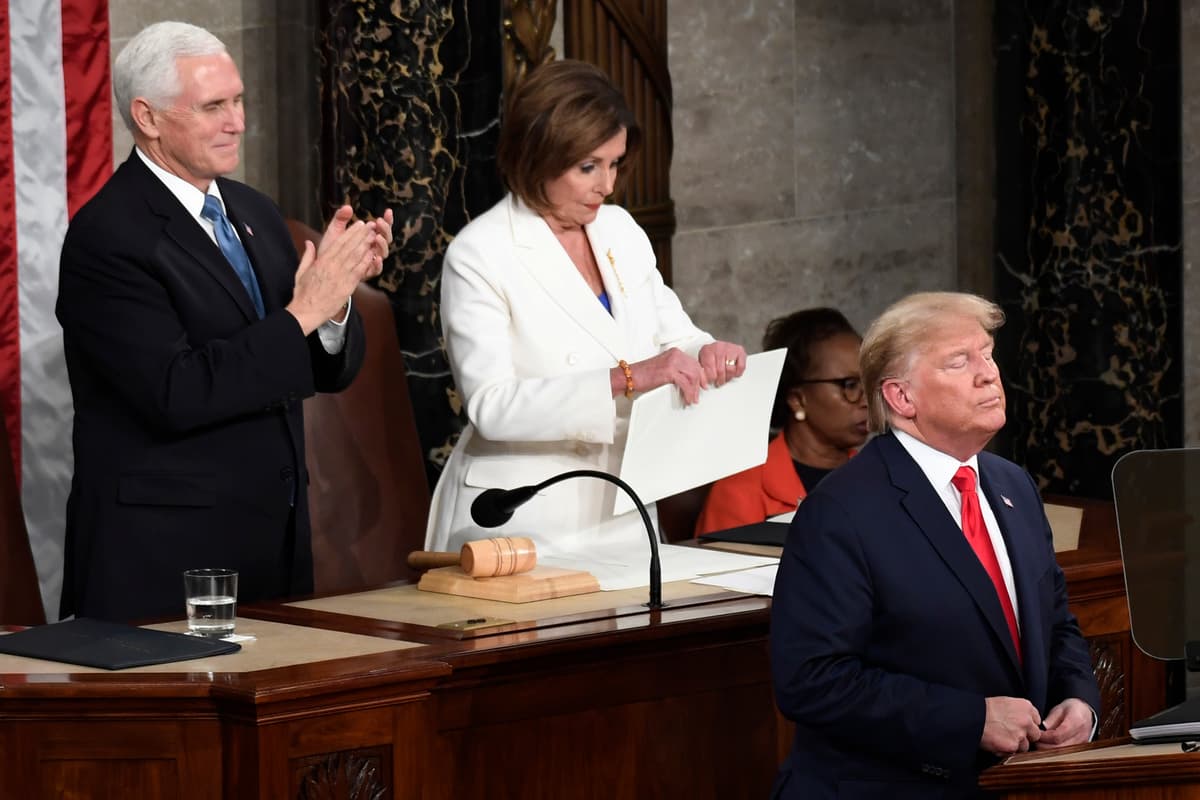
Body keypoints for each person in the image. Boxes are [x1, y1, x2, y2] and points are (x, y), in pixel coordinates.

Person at [56, 21, 392, 621]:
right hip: (163, 566)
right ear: (148, 117)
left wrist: (336, 298)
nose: (237, 122)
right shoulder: (107, 237)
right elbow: (177, 391)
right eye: (213, 106)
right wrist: (306, 309)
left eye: (238, 101)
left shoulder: (254, 211)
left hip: (273, 550)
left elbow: (319, 368)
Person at [769, 292, 1099, 799]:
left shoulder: (1013, 486)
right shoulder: (841, 510)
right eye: (959, 361)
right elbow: (813, 680)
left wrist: (1079, 701)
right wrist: (969, 720)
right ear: (902, 398)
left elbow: (1056, 624)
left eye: (987, 353)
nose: (988, 373)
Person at [425, 59, 746, 559]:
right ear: (537, 155)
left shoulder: (620, 229)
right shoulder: (480, 252)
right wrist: (626, 378)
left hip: (622, 502)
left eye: (615, 163)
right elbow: (492, 406)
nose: (608, 185)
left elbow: (672, 337)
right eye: (588, 167)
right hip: (521, 517)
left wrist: (708, 351)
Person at [694, 308, 868, 536]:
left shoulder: (878, 478)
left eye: (869, 382)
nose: (866, 400)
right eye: (850, 385)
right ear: (797, 399)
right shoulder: (741, 491)